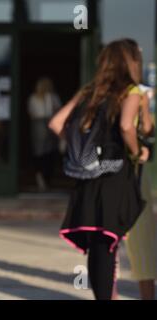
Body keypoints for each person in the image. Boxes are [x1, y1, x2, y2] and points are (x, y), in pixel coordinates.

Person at [49, 39, 148, 300]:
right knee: (108, 241)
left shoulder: (90, 91)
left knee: (97, 244)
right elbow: (127, 126)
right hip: (115, 176)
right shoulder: (131, 91)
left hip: (87, 177)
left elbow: (57, 122)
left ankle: (105, 296)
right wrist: (138, 153)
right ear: (129, 62)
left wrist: (81, 151)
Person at [123, 39, 156, 300]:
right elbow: (134, 128)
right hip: (141, 177)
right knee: (141, 243)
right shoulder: (133, 93)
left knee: (141, 243)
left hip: (140, 177)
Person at [28, 77, 61, 191]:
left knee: (50, 153)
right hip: (38, 126)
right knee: (39, 153)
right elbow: (32, 113)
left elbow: (58, 111)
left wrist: (49, 100)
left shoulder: (53, 98)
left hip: (50, 125)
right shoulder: (33, 98)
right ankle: (40, 177)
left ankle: (46, 179)